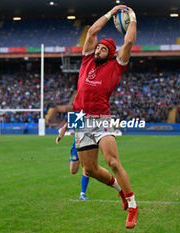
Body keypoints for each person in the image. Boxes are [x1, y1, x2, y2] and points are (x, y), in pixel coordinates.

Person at [56, 5, 138, 229]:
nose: (98, 49)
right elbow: (92, 33)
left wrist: (132, 19)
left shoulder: (116, 66)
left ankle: (133, 206)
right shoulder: (86, 60)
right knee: (89, 169)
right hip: (81, 120)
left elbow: (128, 43)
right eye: (98, 47)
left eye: (103, 49)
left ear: (110, 53)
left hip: (101, 119)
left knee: (112, 161)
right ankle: (120, 192)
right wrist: (112, 12)